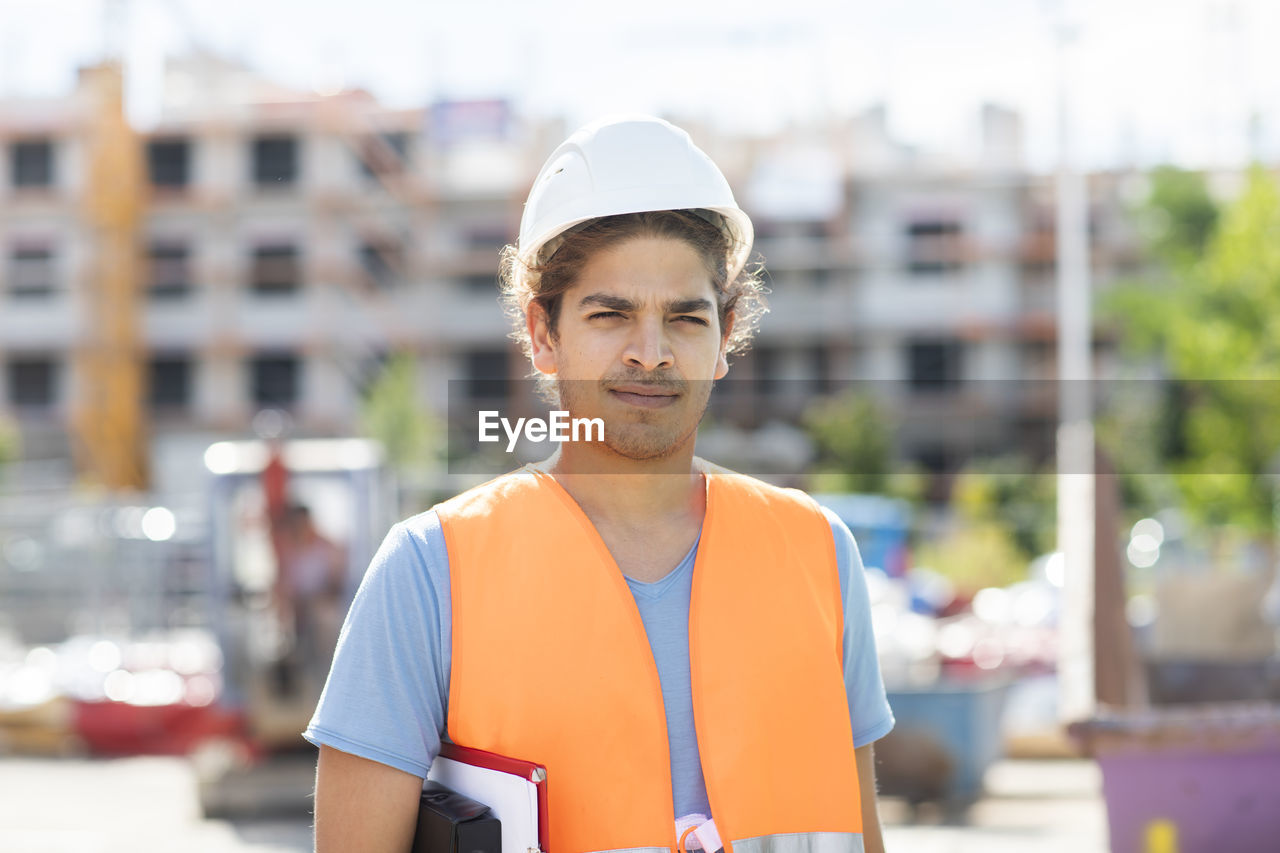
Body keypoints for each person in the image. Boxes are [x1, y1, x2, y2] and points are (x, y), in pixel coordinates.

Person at [307, 116, 895, 853]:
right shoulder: (430, 570)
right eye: (610, 314)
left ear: (725, 334)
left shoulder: (819, 555)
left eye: (684, 317)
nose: (650, 354)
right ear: (545, 334)